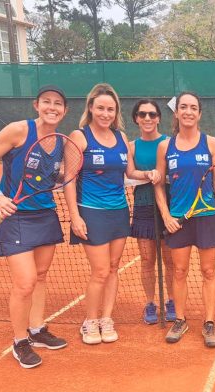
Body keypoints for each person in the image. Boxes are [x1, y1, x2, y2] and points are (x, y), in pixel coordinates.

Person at [0, 85, 69, 368]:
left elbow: (48, 175)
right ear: (36, 105)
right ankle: (19, 341)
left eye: (58, 104)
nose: (52, 107)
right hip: (14, 216)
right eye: (46, 102)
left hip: (45, 214)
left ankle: (36, 329)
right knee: (25, 281)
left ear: (65, 111)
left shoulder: (60, 141)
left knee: (40, 276)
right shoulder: (18, 130)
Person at [65, 83, 160, 345]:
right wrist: (75, 216)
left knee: (114, 268)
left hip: (119, 211)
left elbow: (130, 172)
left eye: (110, 109)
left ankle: (106, 319)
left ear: (116, 111)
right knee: (100, 271)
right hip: (91, 212)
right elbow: (69, 179)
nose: (105, 114)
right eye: (100, 108)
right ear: (91, 108)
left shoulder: (120, 138)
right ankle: (90, 321)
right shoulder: (79, 137)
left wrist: (148, 173)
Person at [154, 91, 215, 347]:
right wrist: (166, 216)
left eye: (193, 107)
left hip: (207, 217)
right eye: (183, 107)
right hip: (178, 219)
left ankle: (209, 322)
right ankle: (180, 320)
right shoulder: (165, 146)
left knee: (208, 271)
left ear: (199, 114)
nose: (188, 111)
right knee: (179, 271)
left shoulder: (211, 143)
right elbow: (158, 184)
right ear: (177, 112)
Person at [129, 99, 175, 325]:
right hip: (143, 205)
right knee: (147, 259)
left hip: (169, 205)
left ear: (158, 118)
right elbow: (129, 172)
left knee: (170, 260)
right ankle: (150, 303)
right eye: (142, 114)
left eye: (152, 114)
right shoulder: (131, 146)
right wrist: (148, 174)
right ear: (136, 119)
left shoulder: (169, 143)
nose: (147, 118)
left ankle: (172, 301)